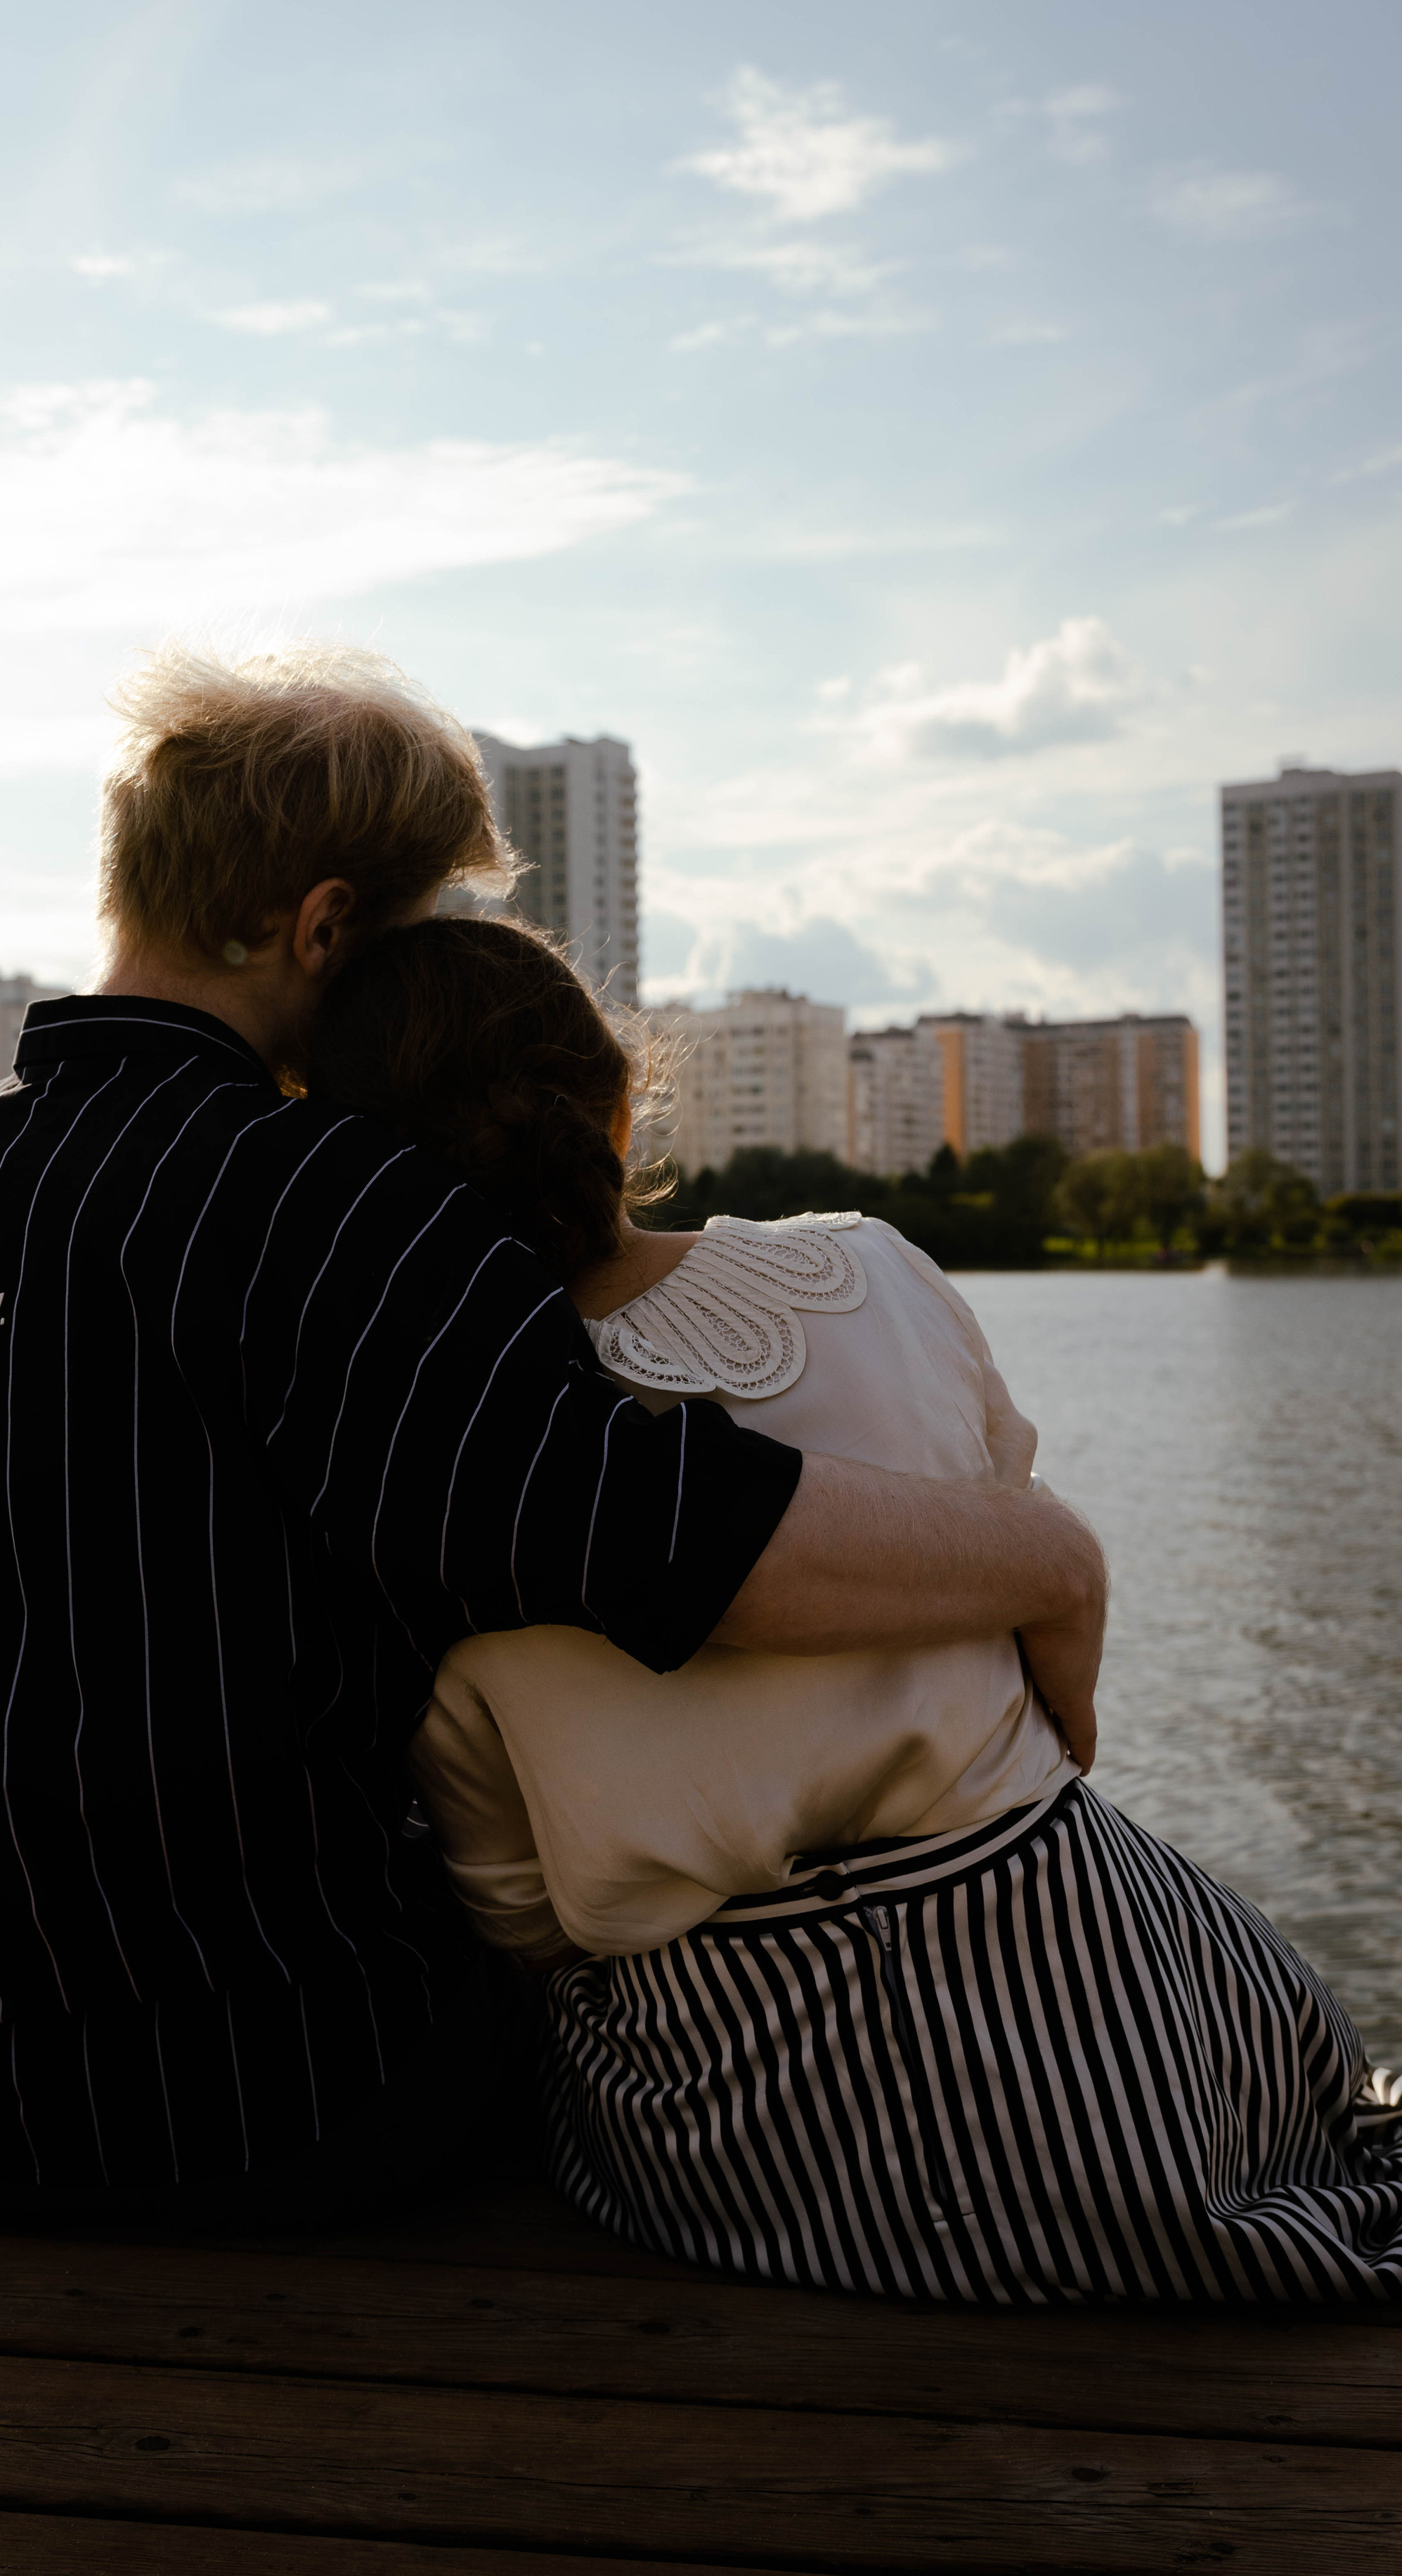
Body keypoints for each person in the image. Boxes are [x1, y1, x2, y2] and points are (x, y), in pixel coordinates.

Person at [0, 642, 1104, 2233]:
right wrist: (1045, 1556)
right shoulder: (321, 1201)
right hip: (284, 2100)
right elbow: (652, 1535)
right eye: (406, 939)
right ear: (324, 927)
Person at [308, 912, 1402, 2308]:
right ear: (618, 1099)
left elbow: (515, 1905)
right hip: (1093, 2013)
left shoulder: (431, 1461)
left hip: (730, 2140)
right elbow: (1001, 1533)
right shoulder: (870, 1267)